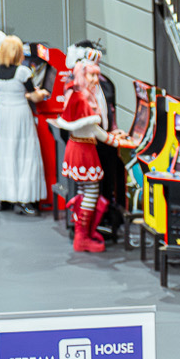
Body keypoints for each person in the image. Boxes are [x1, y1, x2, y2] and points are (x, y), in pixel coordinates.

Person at [57, 53, 110, 253]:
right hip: (83, 149)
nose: (96, 80)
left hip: (79, 147)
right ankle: (82, 237)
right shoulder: (81, 98)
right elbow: (94, 130)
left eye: (97, 75)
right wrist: (117, 140)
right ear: (82, 75)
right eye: (91, 75)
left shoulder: (78, 94)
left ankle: (84, 233)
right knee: (91, 191)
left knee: (83, 190)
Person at [0, 37, 43, 214]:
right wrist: (40, 93)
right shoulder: (23, 72)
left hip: (3, 114)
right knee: (24, 153)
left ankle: (4, 198)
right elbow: (34, 96)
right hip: (19, 114)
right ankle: (25, 199)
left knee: (5, 154)